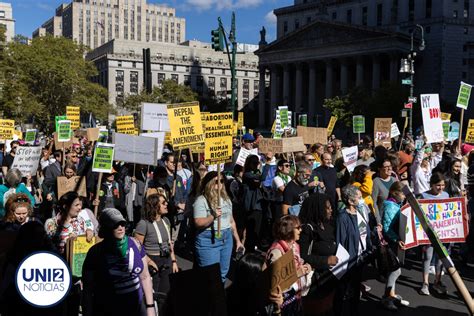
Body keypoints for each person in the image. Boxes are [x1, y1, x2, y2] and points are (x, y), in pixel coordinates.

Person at [82, 208, 156, 316]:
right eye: (115, 225)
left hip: (137, 308)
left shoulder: (136, 244)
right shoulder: (95, 252)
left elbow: (145, 277)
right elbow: (87, 289)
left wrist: (150, 307)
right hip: (109, 309)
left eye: (122, 224)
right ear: (106, 228)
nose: (120, 228)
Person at [193, 171, 244, 282]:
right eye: (217, 181)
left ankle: (219, 297)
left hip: (226, 238)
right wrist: (213, 216)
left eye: (222, 181)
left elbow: (231, 221)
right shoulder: (201, 200)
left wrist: (238, 241)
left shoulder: (226, 199)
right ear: (209, 183)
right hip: (208, 239)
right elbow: (198, 222)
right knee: (210, 275)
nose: (220, 184)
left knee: (222, 274)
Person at [134, 192, 178, 314]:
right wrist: (148, 261)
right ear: (155, 206)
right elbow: (137, 248)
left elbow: (169, 244)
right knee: (152, 295)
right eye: (163, 203)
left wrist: (173, 260)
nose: (166, 204)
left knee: (165, 295)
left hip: (166, 260)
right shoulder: (143, 224)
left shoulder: (166, 221)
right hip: (152, 261)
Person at [334, 185, 372, 316]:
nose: (362, 201)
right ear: (350, 201)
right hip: (347, 261)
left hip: (359, 258)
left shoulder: (360, 213)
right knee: (341, 289)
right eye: (359, 198)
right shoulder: (342, 217)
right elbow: (340, 241)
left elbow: (365, 233)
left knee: (356, 289)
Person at [298, 193, 338, 315]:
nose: (331, 210)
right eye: (327, 208)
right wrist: (325, 261)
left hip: (329, 278)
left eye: (331, 207)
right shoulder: (307, 230)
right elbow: (303, 256)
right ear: (318, 209)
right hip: (315, 282)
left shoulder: (328, 225)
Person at [267, 215, 312, 316]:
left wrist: (305, 268)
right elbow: (276, 282)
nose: (301, 230)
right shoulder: (277, 251)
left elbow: (297, 264)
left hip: (296, 297)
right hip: (284, 301)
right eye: (298, 227)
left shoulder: (295, 245)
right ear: (289, 229)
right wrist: (297, 274)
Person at [419, 172, 450, 296]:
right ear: (432, 185)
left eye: (442, 185)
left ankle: (437, 281)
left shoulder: (446, 195)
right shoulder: (424, 196)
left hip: (443, 232)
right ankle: (425, 283)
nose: (441, 188)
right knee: (427, 257)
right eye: (438, 185)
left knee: (441, 258)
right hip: (428, 233)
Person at [380, 182, 409, 310]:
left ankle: (391, 294)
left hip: (394, 242)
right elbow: (387, 228)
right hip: (390, 242)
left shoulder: (395, 205)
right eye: (402, 193)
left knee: (394, 269)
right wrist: (397, 239)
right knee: (395, 270)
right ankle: (387, 298)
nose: (404, 196)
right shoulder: (390, 207)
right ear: (394, 193)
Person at [242, 154, 264, 251]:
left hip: (257, 205)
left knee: (257, 230)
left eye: (257, 163)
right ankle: (249, 250)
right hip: (251, 206)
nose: (256, 165)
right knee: (251, 230)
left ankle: (253, 248)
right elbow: (260, 178)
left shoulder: (254, 173)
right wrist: (263, 166)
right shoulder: (247, 174)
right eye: (254, 163)